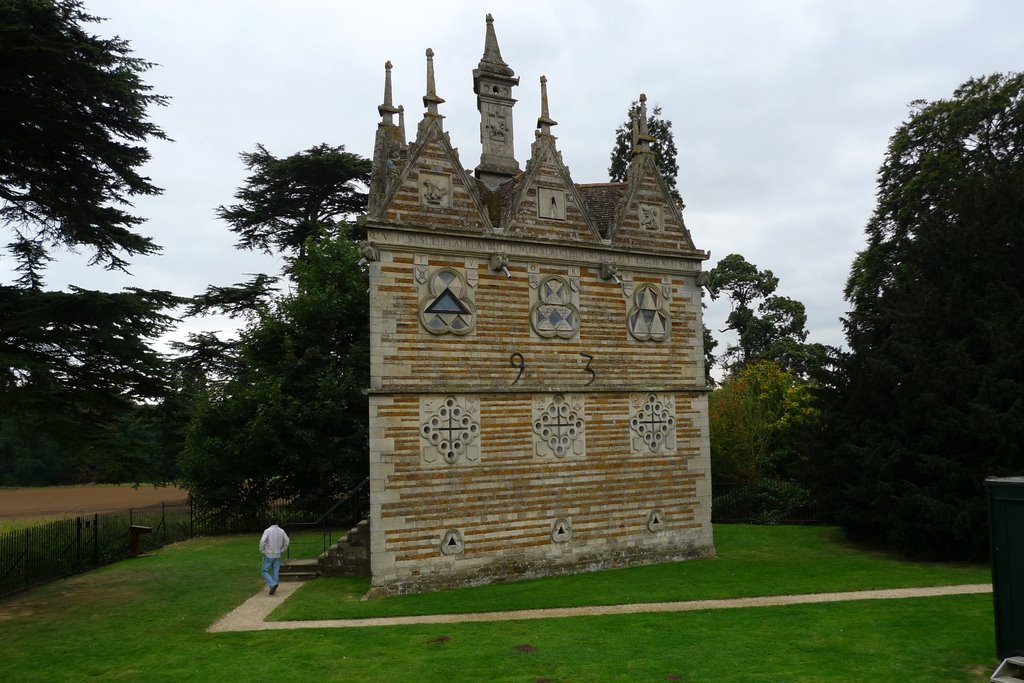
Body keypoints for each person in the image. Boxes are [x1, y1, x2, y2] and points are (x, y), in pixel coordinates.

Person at [259, 520, 289, 595]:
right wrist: (282, 549)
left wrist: (262, 550)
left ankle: (272, 584)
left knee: (264, 571)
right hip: (277, 554)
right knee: (275, 571)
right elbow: (287, 540)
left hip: (269, 554)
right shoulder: (281, 531)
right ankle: (274, 586)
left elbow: (262, 541)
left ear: (270, 523)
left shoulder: (267, 531)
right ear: (277, 523)